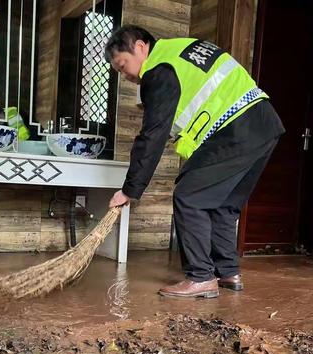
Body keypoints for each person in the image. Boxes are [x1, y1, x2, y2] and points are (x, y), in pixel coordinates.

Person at [105, 25, 285, 299]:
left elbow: (152, 135)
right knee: (224, 206)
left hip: (236, 129)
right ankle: (228, 272)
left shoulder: (159, 70)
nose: (126, 76)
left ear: (140, 47)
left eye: (122, 65)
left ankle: (201, 277)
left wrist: (130, 189)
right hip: (263, 124)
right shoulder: (182, 49)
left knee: (189, 196)